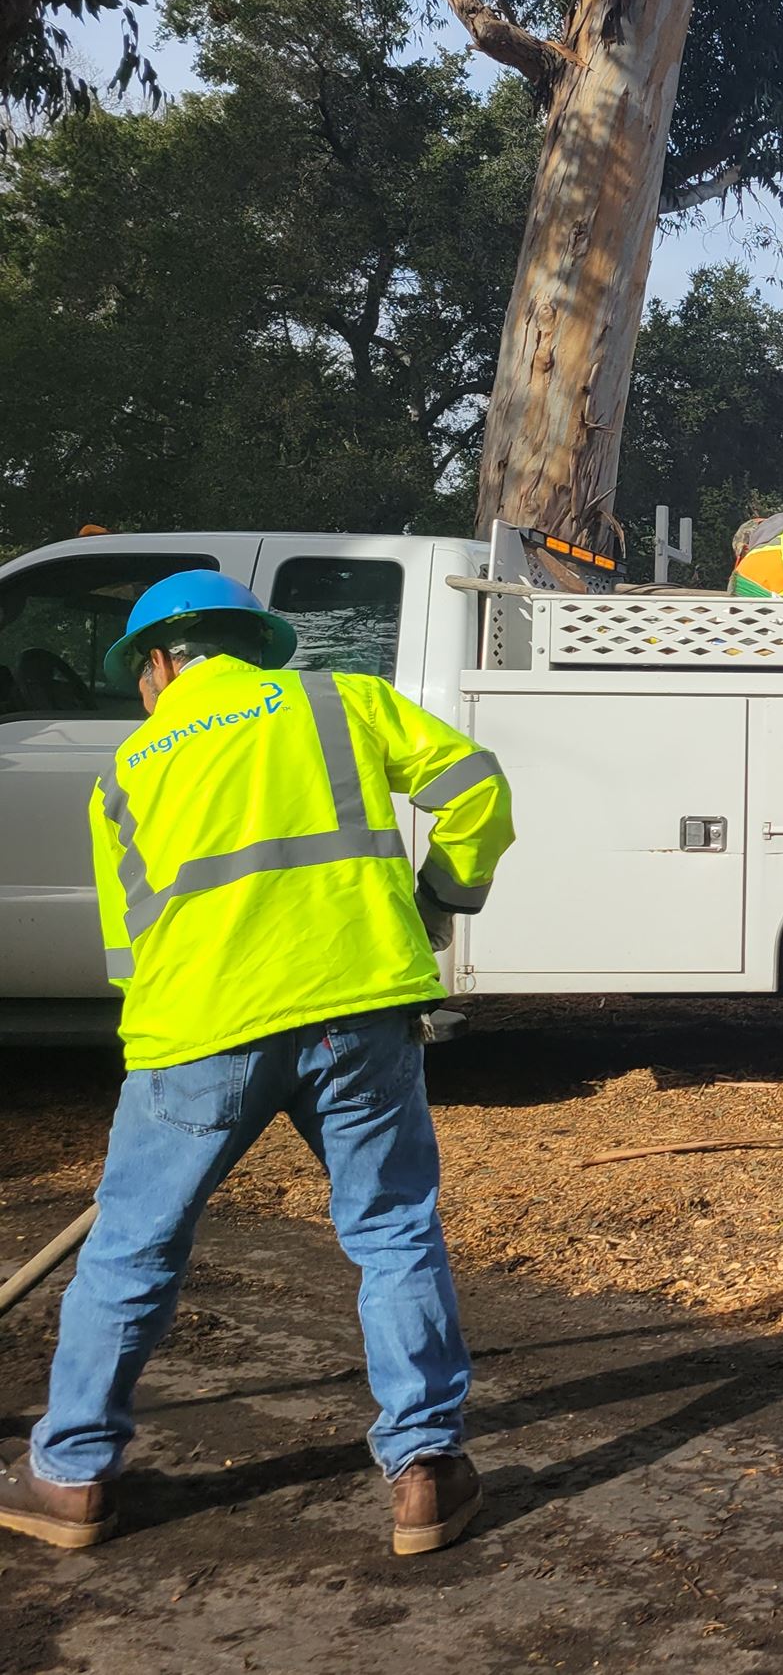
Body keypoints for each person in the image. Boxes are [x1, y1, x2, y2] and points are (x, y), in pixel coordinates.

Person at [0, 571, 515, 1556]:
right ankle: (426, 1471)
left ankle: (68, 1477)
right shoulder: (340, 701)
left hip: (197, 1032)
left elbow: (127, 951)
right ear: (248, 644)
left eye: (138, 674)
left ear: (160, 663)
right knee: (393, 1230)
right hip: (358, 1007)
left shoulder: (126, 773)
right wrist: (440, 900)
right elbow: (476, 788)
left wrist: (163, 1071)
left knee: (131, 1248)